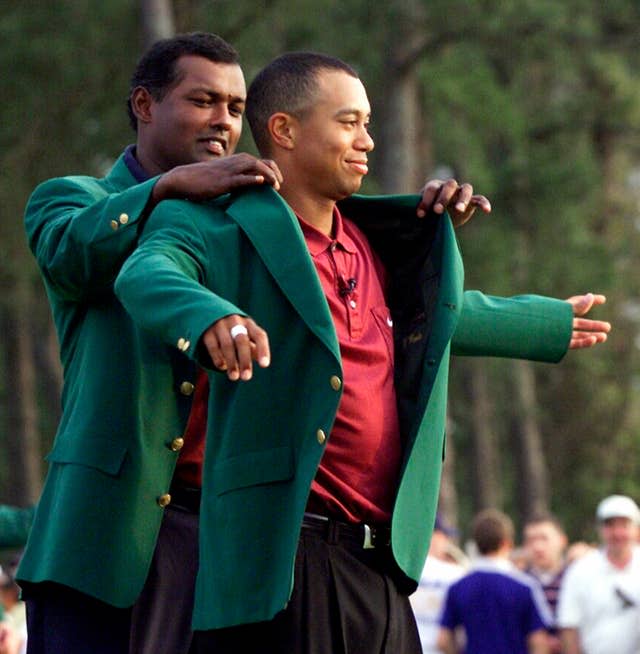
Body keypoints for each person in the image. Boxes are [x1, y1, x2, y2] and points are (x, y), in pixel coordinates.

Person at [115, 51, 610, 653]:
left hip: (384, 565)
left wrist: (545, 322)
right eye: (348, 122)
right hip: (290, 559)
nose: (367, 141)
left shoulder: (372, 242)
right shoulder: (217, 227)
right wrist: (211, 314)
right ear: (285, 131)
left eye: (369, 123)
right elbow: (146, 271)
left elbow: (437, 317)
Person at [18, 34, 490, 654]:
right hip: (106, 540)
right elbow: (72, 255)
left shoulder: (249, 224)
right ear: (143, 104)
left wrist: (548, 321)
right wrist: (167, 189)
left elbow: (371, 310)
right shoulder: (78, 200)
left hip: (222, 539)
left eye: (236, 108)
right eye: (203, 101)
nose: (223, 121)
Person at [436, 509, 551, 654]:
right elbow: (538, 642)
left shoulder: (458, 588)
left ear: (476, 544)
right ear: (506, 543)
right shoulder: (525, 587)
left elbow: (443, 640)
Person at [557, 494, 640, 654]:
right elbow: (569, 627)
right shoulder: (580, 570)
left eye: (624, 525)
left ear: (636, 529)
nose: (617, 533)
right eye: (610, 526)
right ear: (600, 530)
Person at [410, 515, 467, 653]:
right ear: (433, 536)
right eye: (445, 537)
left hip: (407, 645)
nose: (447, 543)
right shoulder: (455, 574)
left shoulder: (405, 571)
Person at [522, 515, 569, 653]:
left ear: (562, 541)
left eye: (544, 538)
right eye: (531, 540)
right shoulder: (518, 583)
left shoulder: (575, 580)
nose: (537, 547)